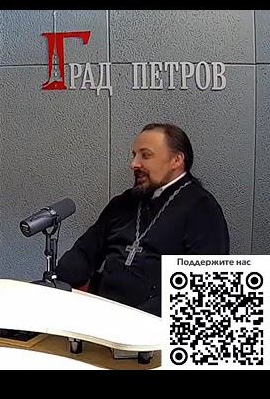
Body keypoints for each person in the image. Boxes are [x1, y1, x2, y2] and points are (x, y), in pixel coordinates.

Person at [54, 123, 230, 317]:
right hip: (102, 316)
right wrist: (58, 283)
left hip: (154, 325)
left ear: (177, 160)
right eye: (134, 155)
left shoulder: (202, 209)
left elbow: (202, 286)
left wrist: (133, 321)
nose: (134, 164)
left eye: (145, 155)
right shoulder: (122, 203)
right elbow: (81, 256)